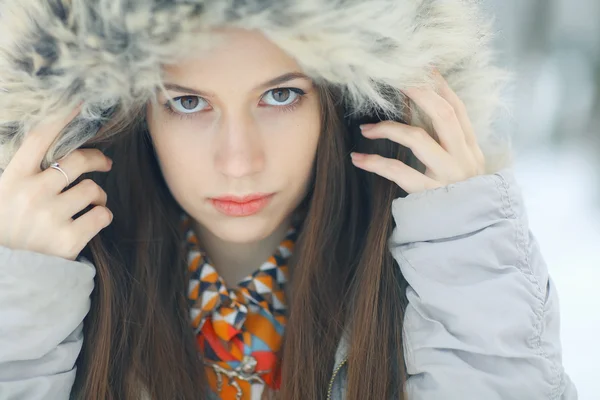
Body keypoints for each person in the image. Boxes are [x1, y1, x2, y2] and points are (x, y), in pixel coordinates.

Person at [0, 1, 577, 399]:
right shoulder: (65, 307)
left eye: (280, 95)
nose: (238, 158)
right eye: (188, 103)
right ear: (129, 116)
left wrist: (467, 248)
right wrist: (21, 302)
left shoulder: (435, 291)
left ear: (347, 100)